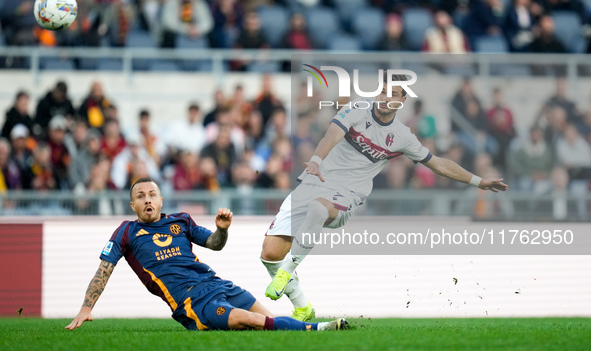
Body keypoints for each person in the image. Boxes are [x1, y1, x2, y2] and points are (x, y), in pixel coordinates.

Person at [260, 75, 508, 321]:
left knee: (318, 209)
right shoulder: (358, 108)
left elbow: (439, 164)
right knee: (269, 254)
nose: (385, 97)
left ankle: (288, 270)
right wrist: (315, 161)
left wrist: (478, 181)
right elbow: (332, 135)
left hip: (347, 193)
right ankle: (303, 307)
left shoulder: (402, 137)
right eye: (383, 91)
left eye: (393, 94)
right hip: (315, 178)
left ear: (402, 101)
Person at [65, 177, 348, 332]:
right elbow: (104, 269)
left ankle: (306, 329)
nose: (147, 199)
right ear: (132, 205)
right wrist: (87, 307)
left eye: (152, 194)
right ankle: (321, 328)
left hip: (216, 284)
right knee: (251, 322)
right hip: (190, 300)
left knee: (267, 322)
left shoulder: (181, 221)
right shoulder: (126, 232)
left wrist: (222, 229)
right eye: (141, 196)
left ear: (161, 200)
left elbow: (214, 244)